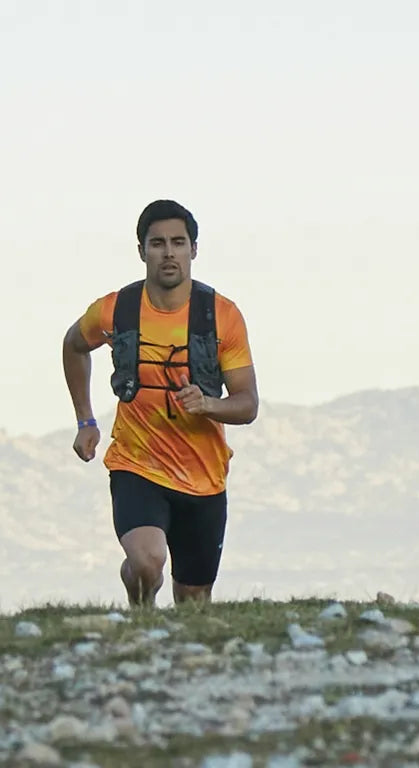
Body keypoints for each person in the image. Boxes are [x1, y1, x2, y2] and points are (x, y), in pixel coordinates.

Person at [62, 199, 258, 606]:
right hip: (137, 465)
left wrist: (207, 405)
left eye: (178, 242)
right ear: (141, 252)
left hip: (203, 476)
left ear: (194, 250)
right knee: (148, 562)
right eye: (157, 244)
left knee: (193, 601)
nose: (168, 252)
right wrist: (85, 421)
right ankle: (139, 604)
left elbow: (247, 404)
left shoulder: (221, 316)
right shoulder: (116, 309)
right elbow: (74, 345)